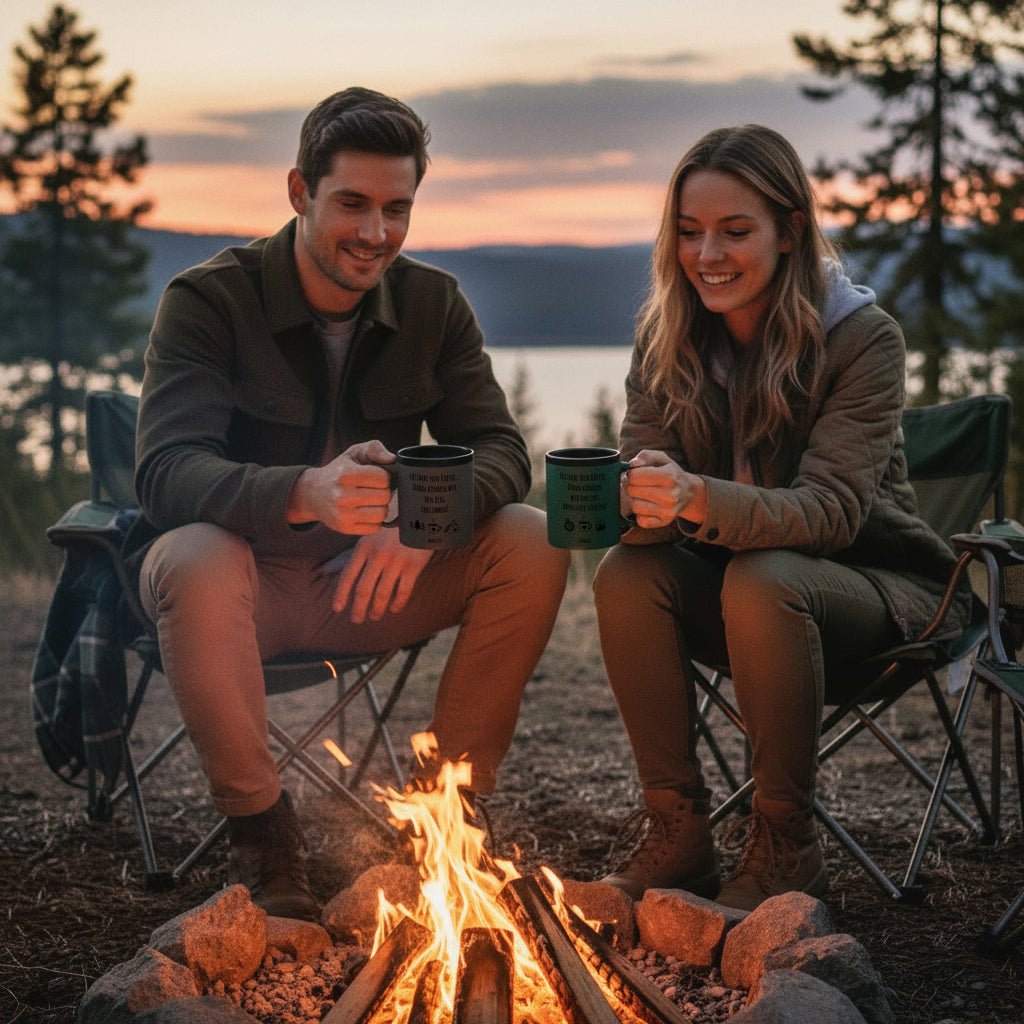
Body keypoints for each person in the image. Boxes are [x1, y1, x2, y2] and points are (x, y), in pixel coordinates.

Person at [133, 87, 570, 921]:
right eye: (353, 205)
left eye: (397, 209)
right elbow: (166, 472)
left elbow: (505, 452)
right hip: (238, 591)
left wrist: (421, 522)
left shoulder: (433, 305)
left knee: (532, 539)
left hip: (367, 587)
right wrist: (305, 490)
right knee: (196, 552)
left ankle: (448, 817)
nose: (376, 233)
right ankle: (265, 834)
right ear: (300, 192)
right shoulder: (208, 301)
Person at [593, 124, 970, 911]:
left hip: (877, 592)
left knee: (765, 579)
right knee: (627, 573)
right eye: (690, 233)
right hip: (740, 594)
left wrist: (695, 495)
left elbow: (830, 514)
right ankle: (678, 831)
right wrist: (632, 501)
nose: (709, 255)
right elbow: (648, 489)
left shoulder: (861, 340)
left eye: (736, 231)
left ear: (790, 228)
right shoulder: (665, 339)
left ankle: (785, 842)